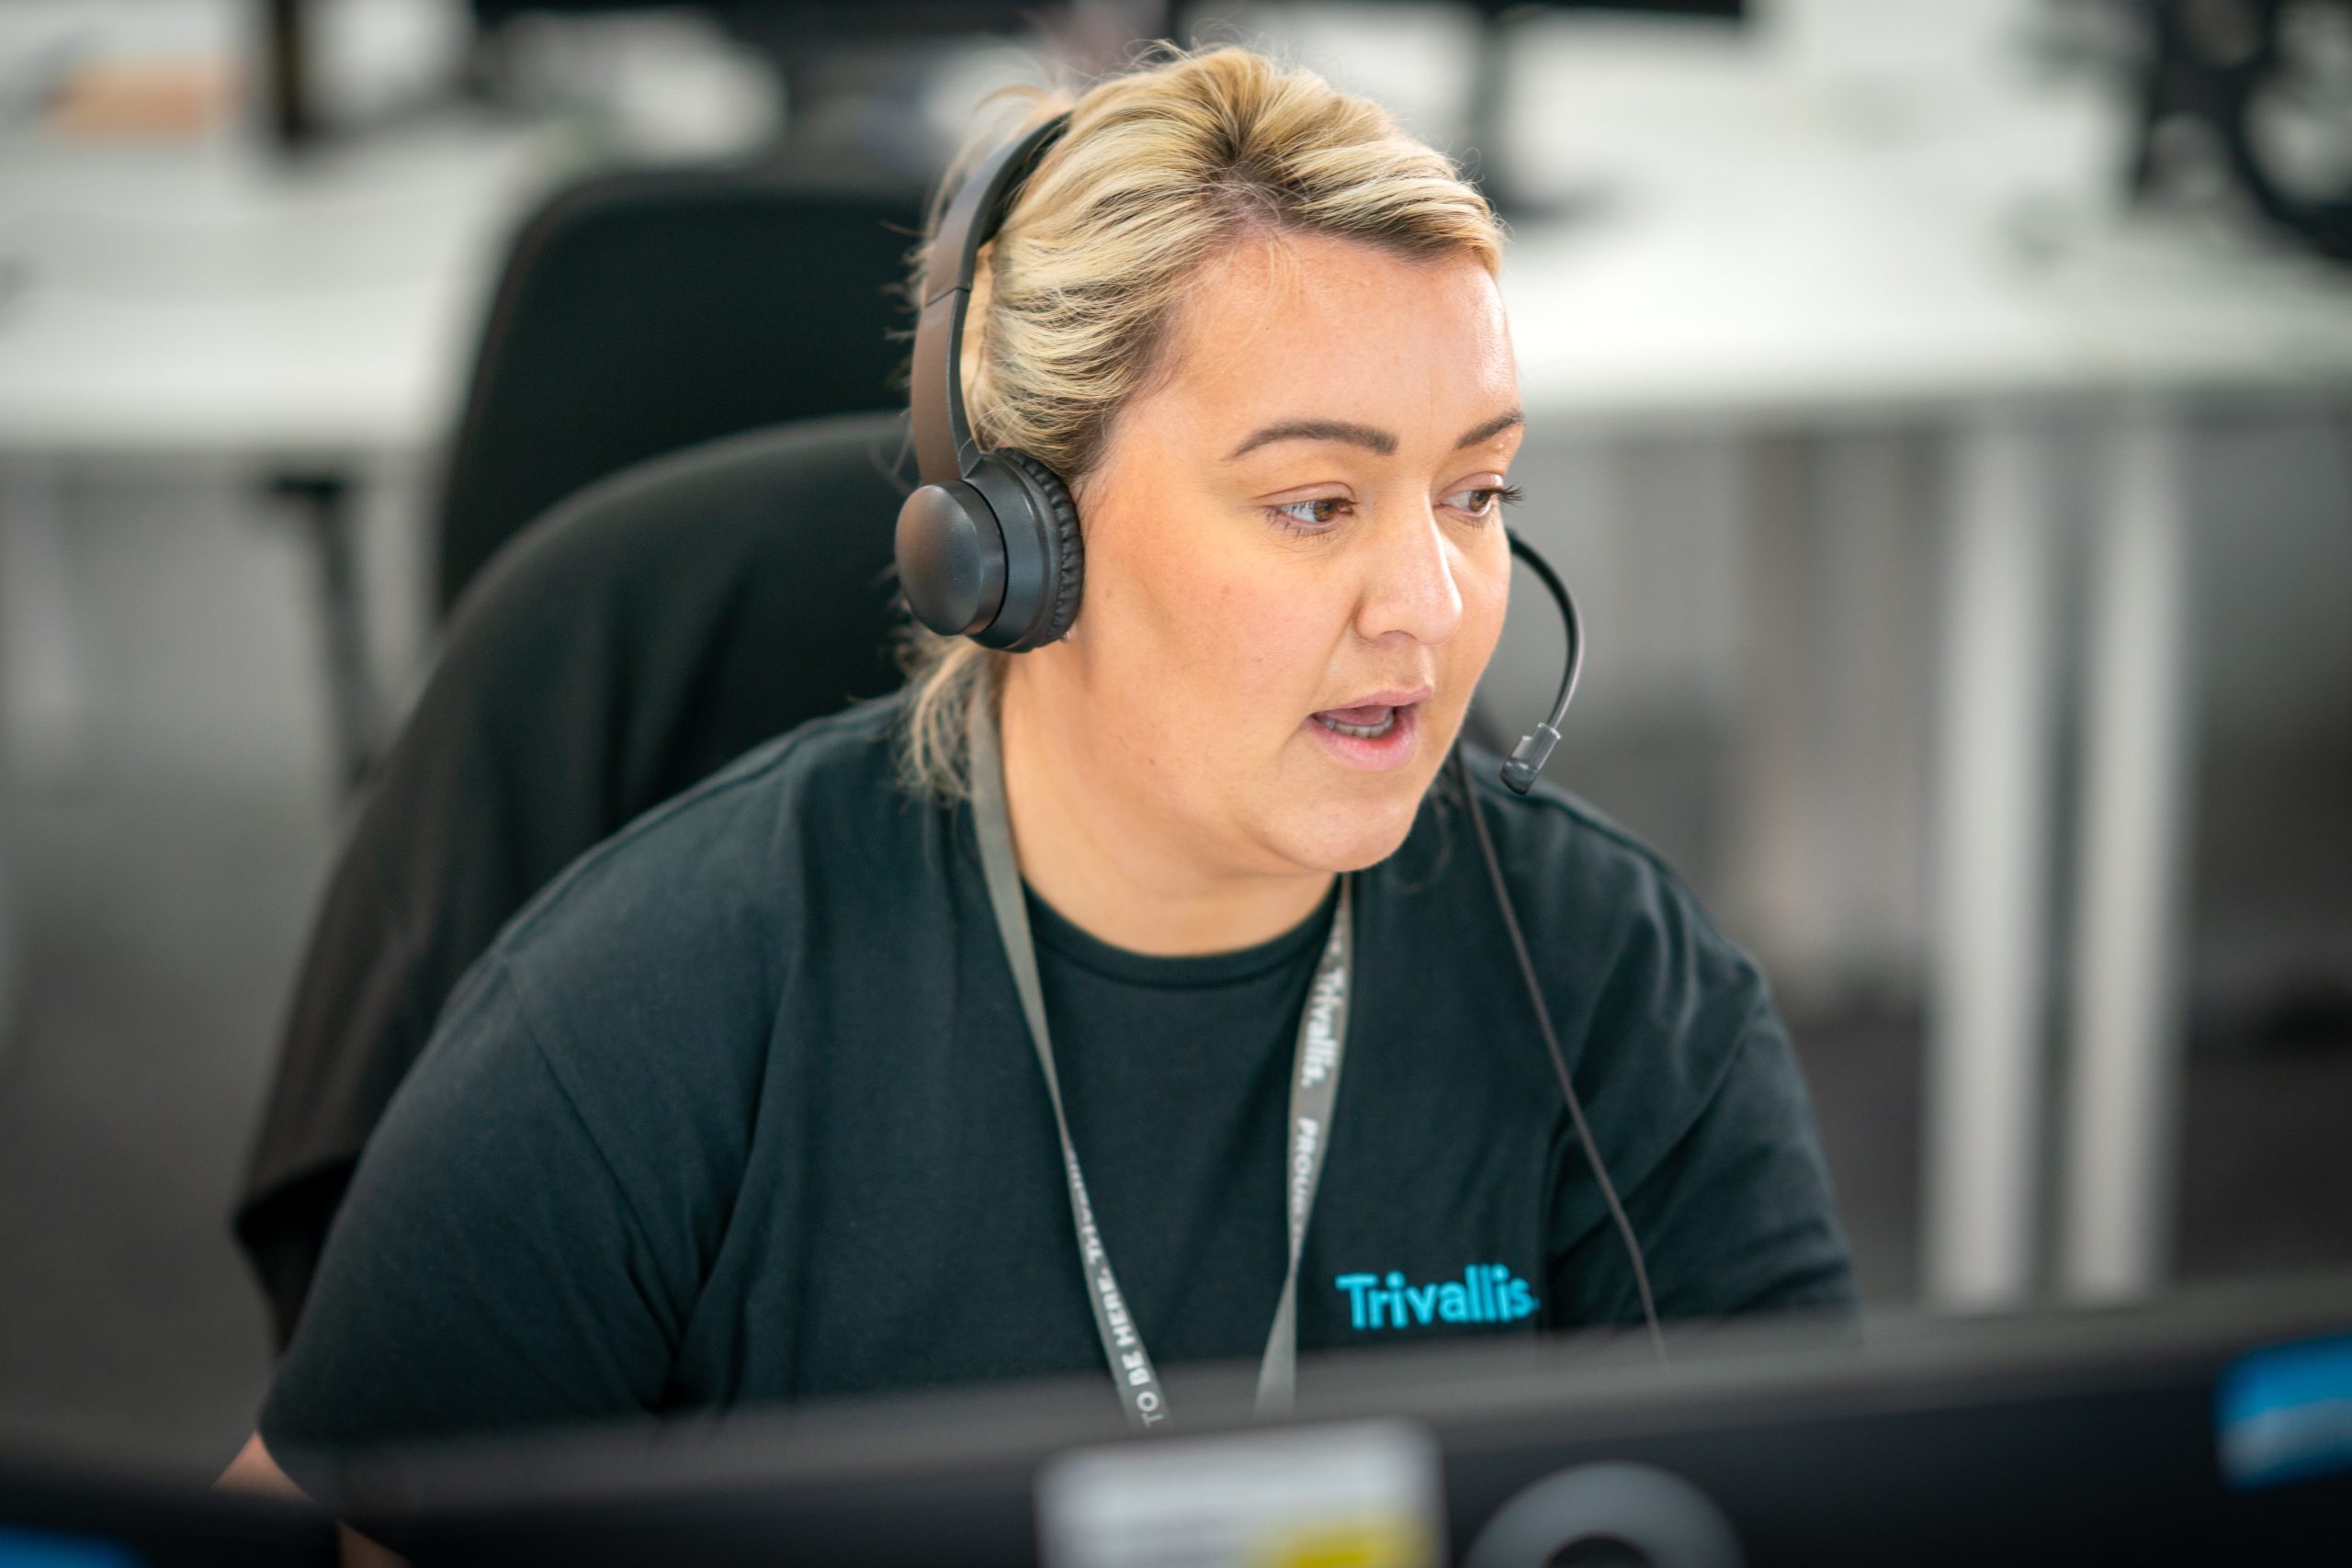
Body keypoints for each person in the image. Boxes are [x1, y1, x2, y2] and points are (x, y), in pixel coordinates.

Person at [223, 40, 1854, 1498]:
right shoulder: (654, 999)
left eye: (1477, 494)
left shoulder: (1617, 988)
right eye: (1315, 504)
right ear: (1022, 538)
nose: (1433, 605)